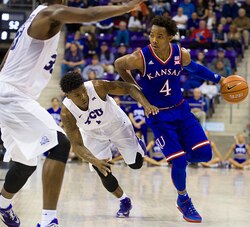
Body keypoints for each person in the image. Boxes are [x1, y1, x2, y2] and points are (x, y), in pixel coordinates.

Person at [0, 0, 144, 226]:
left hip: (14, 95)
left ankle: (3, 203)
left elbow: (8, 57)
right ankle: (49, 221)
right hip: (11, 96)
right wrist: (127, 7)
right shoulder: (50, 12)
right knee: (60, 145)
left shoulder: (36, 16)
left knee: (26, 163)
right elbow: (91, 14)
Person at [114, 15, 226, 223]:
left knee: (204, 154)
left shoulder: (179, 54)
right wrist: (135, 88)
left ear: (171, 38)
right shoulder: (140, 58)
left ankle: (178, 159)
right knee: (180, 161)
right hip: (158, 117)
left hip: (181, 110)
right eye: (151, 35)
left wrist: (219, 79)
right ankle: (183, 198)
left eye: (159, 36)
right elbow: (119, 64)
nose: (154, 40)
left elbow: (196, 69)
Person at [60, 72, 158, 218]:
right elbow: (77, 145)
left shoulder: (98, 87)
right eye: (77, 95)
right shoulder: (66, 114)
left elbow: (129, 88)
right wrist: (95, 161)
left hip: (117, 125)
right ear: (68, 95)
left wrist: (146, 105)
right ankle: (124, 200)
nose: (83, 97)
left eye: (83, 91)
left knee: (136, 164)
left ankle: (138, 143)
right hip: (92, 134)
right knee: (102, 170)